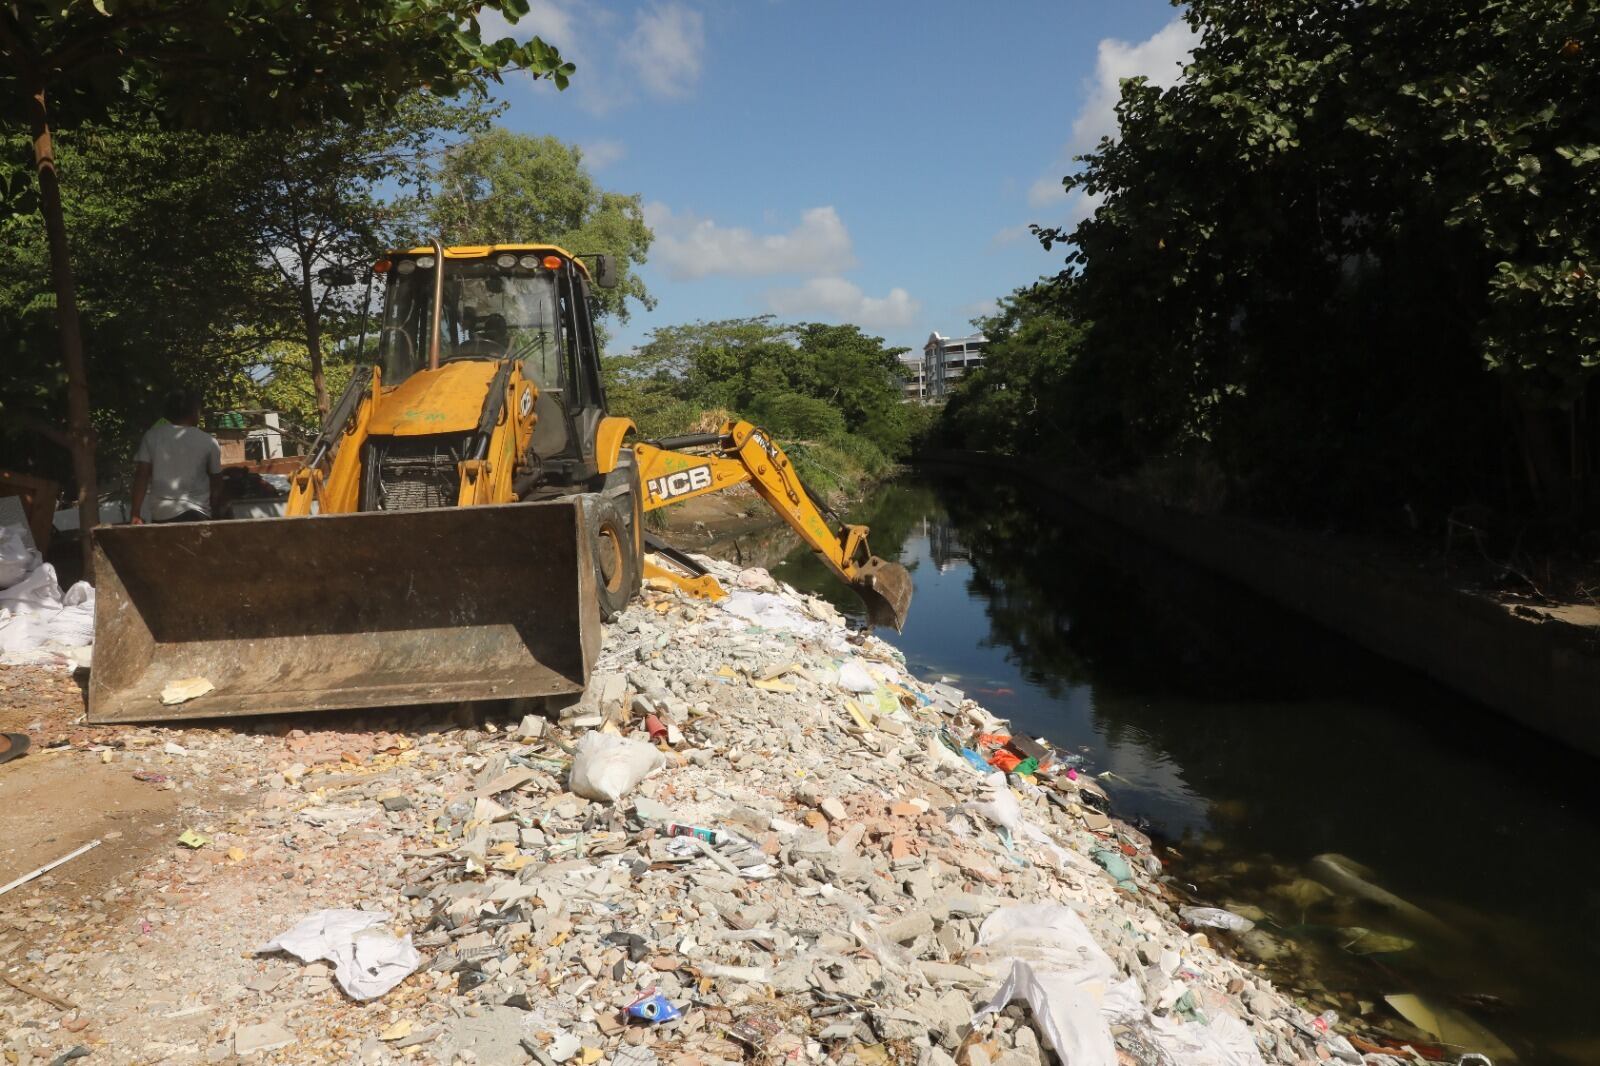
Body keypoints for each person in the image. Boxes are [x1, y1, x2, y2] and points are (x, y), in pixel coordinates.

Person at [129, 390, 223, 524]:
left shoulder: (152, 436)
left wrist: (135, 513)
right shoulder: (208, 441)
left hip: (162, 514)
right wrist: (216, 512)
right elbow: (217, 481)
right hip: (198, 513)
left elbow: (141, 475)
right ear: (194, 411)